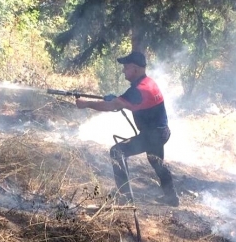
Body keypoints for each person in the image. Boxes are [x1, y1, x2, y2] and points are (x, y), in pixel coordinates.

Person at [76, 51, 179, 207]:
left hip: (153, 135)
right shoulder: (148, 83)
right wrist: (119, 100)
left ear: (135, 69)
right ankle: (171, 198)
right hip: (161, 131)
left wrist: (86, 104)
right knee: (155, 160)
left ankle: (125, 197)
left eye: (126, 68)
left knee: (117, 151)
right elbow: (131, 102)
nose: (124, 71)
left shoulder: (138, 90)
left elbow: (112, 106)